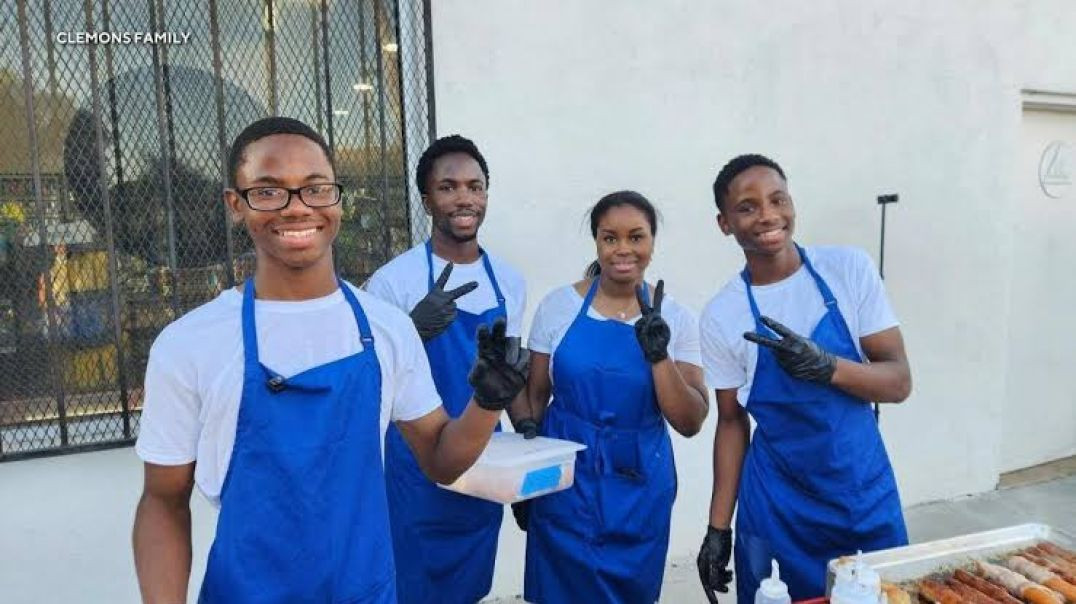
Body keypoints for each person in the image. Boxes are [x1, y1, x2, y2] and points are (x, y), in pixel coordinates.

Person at [131, 117, 528, 604]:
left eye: (315, 188)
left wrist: (487, 403)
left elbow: (442, 463)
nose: (298, 207)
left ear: (338, 199)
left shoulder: (387, 328)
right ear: (235, 204)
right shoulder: (190, 344)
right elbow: (163, 501)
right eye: (269, 191)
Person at [695, 154, 912, 603]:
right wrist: (718, 528)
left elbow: (898, 382)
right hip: (778, 508)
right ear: (724, 223)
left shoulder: (848, 270)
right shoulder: (722, 314)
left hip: (861, 492)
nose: (768, 215)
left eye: (778, 199)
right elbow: (732, 422)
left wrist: (830, 368)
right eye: (748, 207)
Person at [365, 134, 531, 604]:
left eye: (475, 187)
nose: (464, 198)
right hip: (414, 466)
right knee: (412, 586)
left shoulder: (509, 281)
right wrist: (412, 331)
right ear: (426, 200)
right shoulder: (392, 283)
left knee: (470, 583)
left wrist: (528, 436)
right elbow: (367, 382)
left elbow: (509, 374)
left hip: (483, 460)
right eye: (448, 187)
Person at [521, 190, 709, 603]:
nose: (623, 249)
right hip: (565, 482)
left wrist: (659, 356)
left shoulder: (677, 319)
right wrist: (523, 476)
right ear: (597, 242)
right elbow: (533, 403)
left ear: (652, 242)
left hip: (639, 486)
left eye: (636, 237)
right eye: (610, 238)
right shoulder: (557, 307)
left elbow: (690, 421)